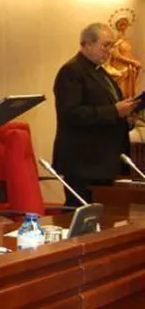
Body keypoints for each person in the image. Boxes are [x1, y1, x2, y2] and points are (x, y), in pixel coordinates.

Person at [52, 23, 135, 205]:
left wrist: (127, 117)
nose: (109, 51)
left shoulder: (101, 72)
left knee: (107, 216)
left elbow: (111, 110)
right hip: (83, 162)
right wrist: (114, 111)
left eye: (111, 46)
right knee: (83, 216)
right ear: (87, 44)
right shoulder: (71, 71)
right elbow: (70, 114)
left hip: (103, 162)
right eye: (105, 45)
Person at [103, 10, 140, 99]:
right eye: (121, 24)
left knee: (129, 94)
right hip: (120, 70)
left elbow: (128, 53)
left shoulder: (127, 40)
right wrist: (133, 62)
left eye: (125, 24)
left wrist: (134, 63)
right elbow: (116, 55)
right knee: (121, 92)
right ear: (117, 25)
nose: (123, 26)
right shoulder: (116, 40)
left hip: (129, 69)